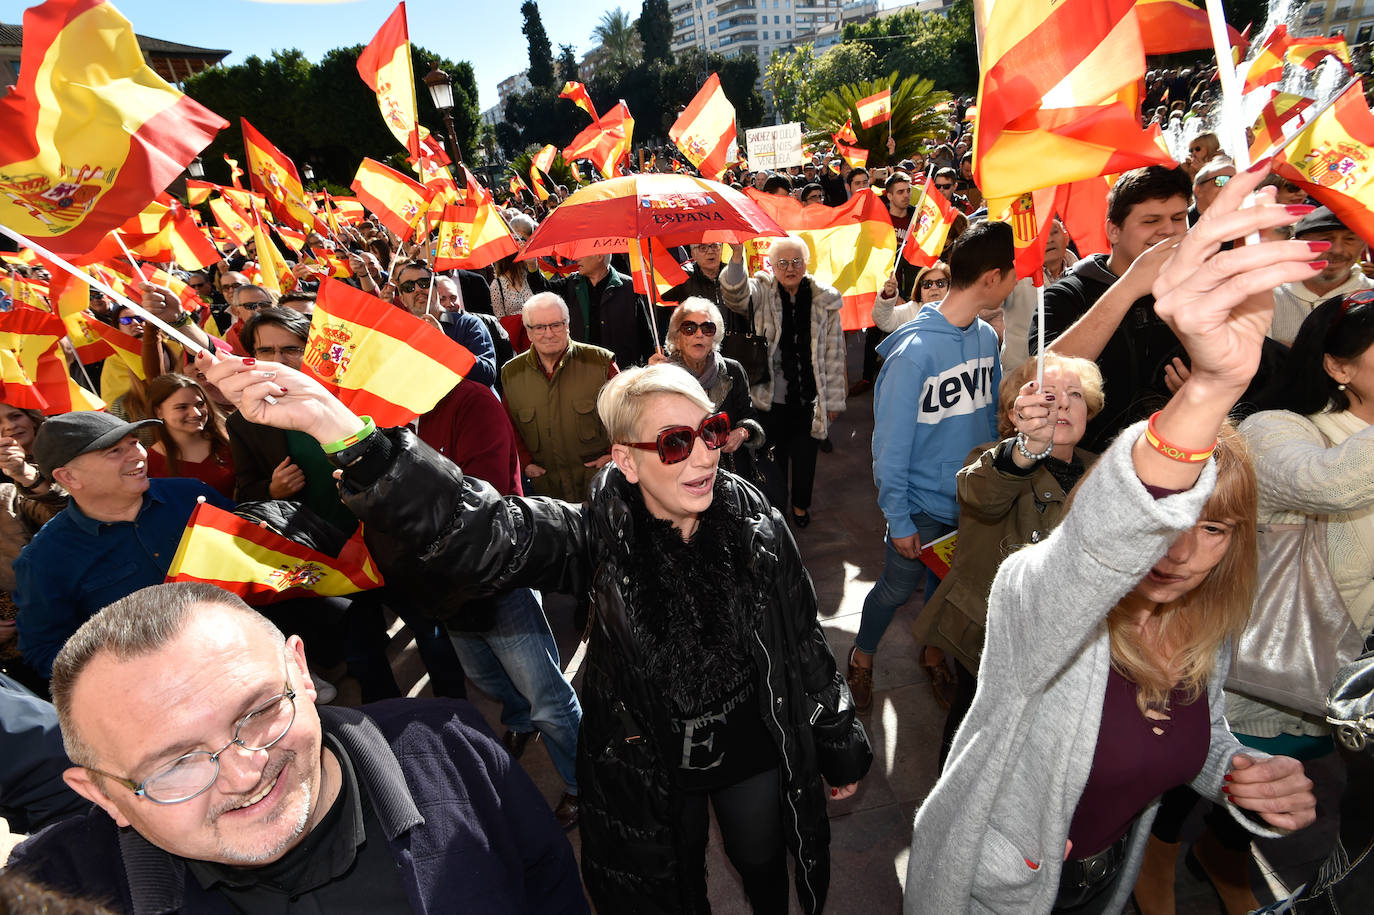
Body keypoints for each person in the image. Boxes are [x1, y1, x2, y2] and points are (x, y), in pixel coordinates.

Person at [195, 355, 874, 915]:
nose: (702, 457)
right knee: (669, 895)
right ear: (627, 461)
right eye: (674, 441)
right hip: (646, 766)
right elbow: (478, 525)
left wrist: (838, 744)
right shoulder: (593, 536)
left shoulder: (758, 526)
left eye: (713, 430)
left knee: (763, 868)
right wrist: (348, 435)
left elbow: (803, 643)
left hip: (751, 745)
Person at [904, 161, 1321, 914]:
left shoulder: (1203, 621)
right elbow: (1058, 527)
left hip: (1104, 886)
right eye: (1048, 399)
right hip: (1001, 880)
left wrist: (1235, 769)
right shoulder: (1075, 543)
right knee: (977, 744)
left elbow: (1189, 730)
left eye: (1215, 529)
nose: (1179, 549)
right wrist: (1210, 389)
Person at [6, 583, 588, 913]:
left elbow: (550, 887)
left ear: (301, 671)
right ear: (100, 791)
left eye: (258, 712)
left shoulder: (449, 744)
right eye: (175, 763)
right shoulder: (50, 893)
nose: (244, 773)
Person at [847, 222, 1011, 713]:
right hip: (919, 507)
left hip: (970, 502)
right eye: (1010, 274)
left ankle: (934, 652)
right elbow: (889, 446)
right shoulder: (914, 352)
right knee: (897, 589)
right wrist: (897, 517)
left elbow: (988, 419)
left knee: (948, 589)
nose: (1014, 282)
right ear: (990, 278)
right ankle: (862, 656)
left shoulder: (984, 335)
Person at [914, 354, 1103, 762]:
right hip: (991, 638)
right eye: (1048, 395)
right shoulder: (993, 460)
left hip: (1065, 642)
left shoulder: (1103, 472)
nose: (1064, 404)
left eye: (1076, 395)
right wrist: (1025, 451)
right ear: (1017, 413)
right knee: (972, 734)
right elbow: (983, 493)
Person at [12, 412, 235, 681]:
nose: (138, 455)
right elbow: (46, 651)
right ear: (69, 477)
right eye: (115, 451)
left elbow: (254, 555)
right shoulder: (44, 561)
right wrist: (124, 677)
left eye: (134, 442)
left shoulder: (192, 495)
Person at [1033, 165, 1193, 451]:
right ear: (1113, 230)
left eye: (1178, 218)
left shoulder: (1198, 288)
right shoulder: (1067, 294)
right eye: (1151, 220)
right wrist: (1130, 286)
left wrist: (1200, 390)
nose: (1168, 230)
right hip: (1092, 465)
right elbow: (1043, 374)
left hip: (1177, 455)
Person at [721, 236, 847, 528]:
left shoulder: (824, 299)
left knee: (805, 460)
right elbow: (735, 294)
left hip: (808, 401)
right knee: (770, 461)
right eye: (783, 263)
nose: (790, 268)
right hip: (768, 400)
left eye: (796, 262)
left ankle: (801, 506)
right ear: (772, 265)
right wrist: (737, 256)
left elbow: (834, 353)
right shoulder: (763, 289)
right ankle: (775, 510)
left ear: (806, 263)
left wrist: (835, 401)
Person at [501, 292, 618, 503]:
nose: (548, 334)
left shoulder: (600, 363)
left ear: (568, 325)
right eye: (539, 327)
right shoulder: (511, 374)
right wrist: (525, 462)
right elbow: (509, 428)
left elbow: (626, 416)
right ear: (528, 332)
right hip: (547, 495)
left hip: (601, 487)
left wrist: (614, 454)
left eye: (555, 325)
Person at [653, 297, 764, 480]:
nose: (699, 334)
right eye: (689, 328)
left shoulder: (733, 370)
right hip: (684, 475)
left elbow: (750, 417)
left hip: (731, 474)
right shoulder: (663, 376)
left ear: (714, 336)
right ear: (677, 339)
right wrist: (649, 380)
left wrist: (743, 432)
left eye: (707, 328)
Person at [1268, 206, 1373, 346]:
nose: (1338, 250)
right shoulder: (1266, 295)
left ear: (1363, 245)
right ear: (1297, 244)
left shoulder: (1370, 296)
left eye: (1350, 239)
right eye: (1326, 239)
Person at [392, 259, 498, 388]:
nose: (418, 289)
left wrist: (444, 344)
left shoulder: (469, 324)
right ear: (402, 299)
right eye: (409, 287)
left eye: (424, 283)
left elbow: (486, 375)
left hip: (471, 404)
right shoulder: (401, 336)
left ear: (436, 290)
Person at [138, 373, 235, 500]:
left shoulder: (230, 442)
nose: (196, 413)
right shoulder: (148, 462)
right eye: (182, 407)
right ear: (158, 411)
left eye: (200, 404)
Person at [558, 253, 654, 369]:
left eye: (583, 253)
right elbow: (542, 288)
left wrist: (650, 365)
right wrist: (533, 267)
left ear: (599, 257)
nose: (577, 258)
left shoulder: (629, 286)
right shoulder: (573, 282)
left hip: (621, 372)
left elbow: (644, 332)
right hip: (582, 368)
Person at [871, 260, 950, 332]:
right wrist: (888, 295)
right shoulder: (911, 310)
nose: (934, 287)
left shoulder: (958, 310)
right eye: (927, 284)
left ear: (949, 287)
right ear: (919, 290)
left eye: (940, 283)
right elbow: (884, 321)